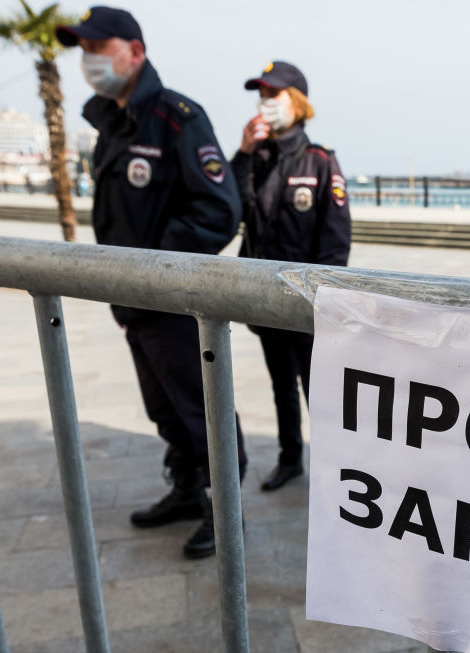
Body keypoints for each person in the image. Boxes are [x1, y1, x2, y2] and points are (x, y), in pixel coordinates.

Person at [55, 7, 246, 558]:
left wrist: (154, 269)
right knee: (164, 408)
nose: (89, 60)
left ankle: (226, 512)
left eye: (99, 48)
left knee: (201, 410)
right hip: (133, 303)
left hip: (171, 301)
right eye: (83, 50)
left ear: (135, 52)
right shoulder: (113, 123)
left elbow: (219, 209)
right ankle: (186, 489)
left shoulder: (177, 118)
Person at [231, 61, 351, 491]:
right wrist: (243, 154)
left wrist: (322, 303)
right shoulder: (254, 159)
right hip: (265, 299)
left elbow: (335, 242)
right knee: (280, 385)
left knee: (318, 391)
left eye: (273, 94)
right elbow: (229, 207)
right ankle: (289, 458)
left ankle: (333, 469)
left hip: (306, 306)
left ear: (296, 102)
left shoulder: (320, 161)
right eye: (261, 95)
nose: (265, 102)